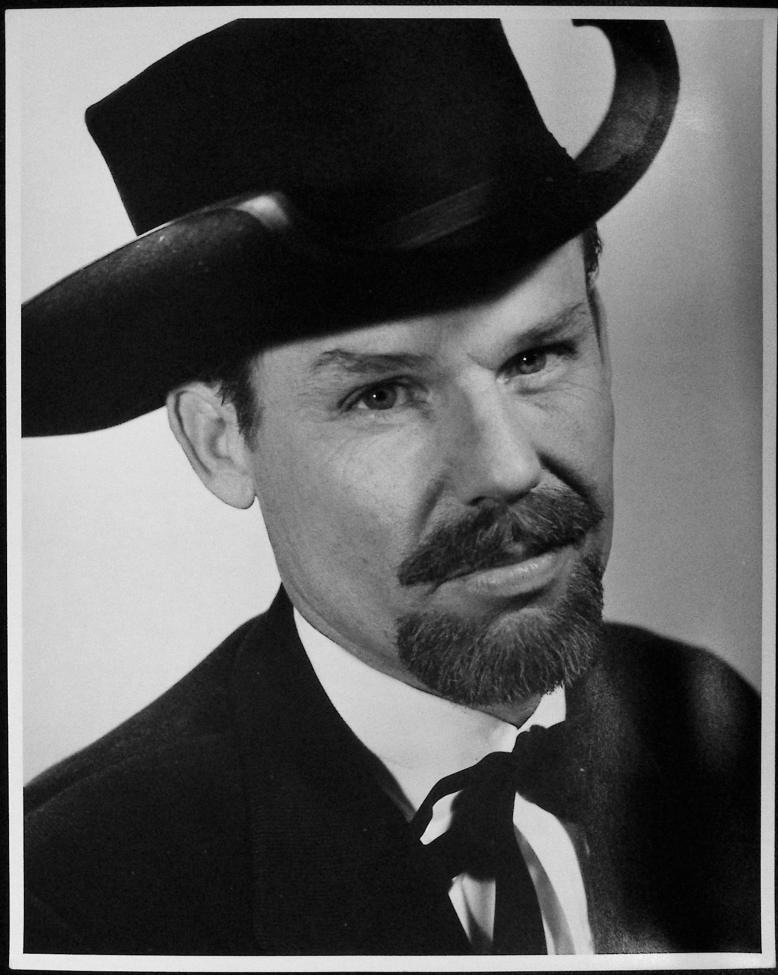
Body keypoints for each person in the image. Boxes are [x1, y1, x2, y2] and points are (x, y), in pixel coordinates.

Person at [21, 17, 760, 956]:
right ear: (220, 443)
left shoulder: (715, 723)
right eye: (382, 393)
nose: (506, 466)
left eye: (536, 356)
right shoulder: (70, 893)